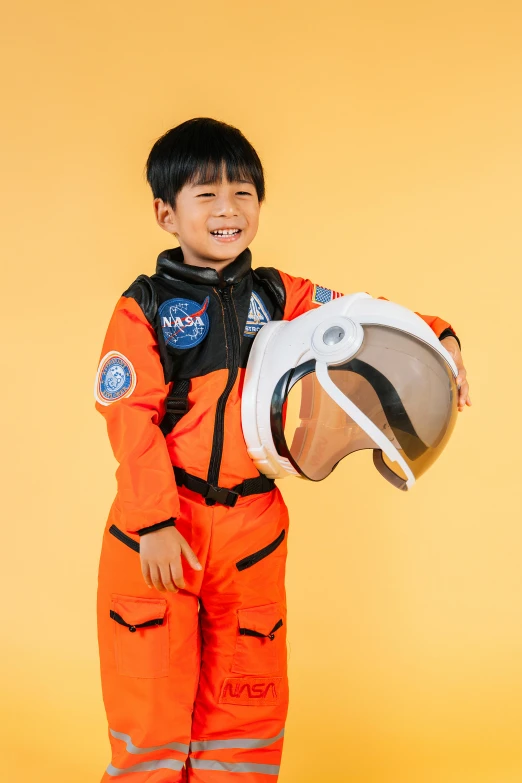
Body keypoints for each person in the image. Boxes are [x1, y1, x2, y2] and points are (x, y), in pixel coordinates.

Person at [95, 117, 471, 783]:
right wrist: (152, 521)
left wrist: (438, 334)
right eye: (205, 194)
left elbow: (362, 315)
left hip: (252, 531)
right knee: (151, 708)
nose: (228, 208)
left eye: (243, 192)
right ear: (166, 213)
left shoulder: (278, 295)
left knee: (246, 709)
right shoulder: (144, 308)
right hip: (161, 531)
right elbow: (131, 419)